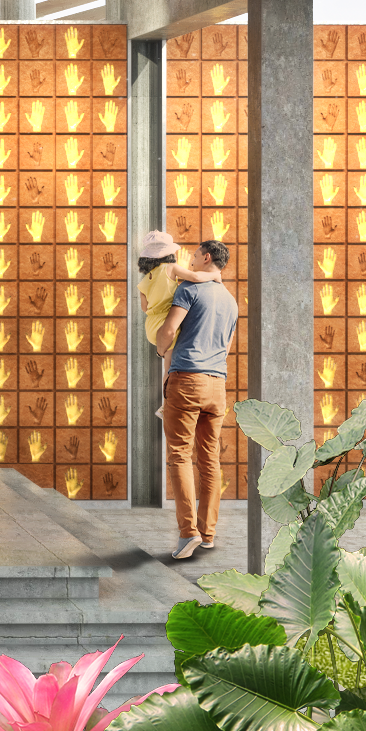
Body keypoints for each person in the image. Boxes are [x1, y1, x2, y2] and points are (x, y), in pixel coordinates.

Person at [154, 240, 238, 560]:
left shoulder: (189, 289)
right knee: (210, 460)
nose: (189, 260)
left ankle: (188, 531)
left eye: (193, 255)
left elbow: (169, 330)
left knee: (179, 455)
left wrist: (161, 349)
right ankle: (207, 533)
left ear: (206, 257)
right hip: (217, 385)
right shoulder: (230, 301)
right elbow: (226, 348)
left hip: (187, 379)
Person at [136, 231, 223, 419]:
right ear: (168, 253)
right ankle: (166, 405)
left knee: (167, 365)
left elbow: (144, 307)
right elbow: (195, 277)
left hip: (151, 325)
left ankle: (166, 404)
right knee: (170, 368)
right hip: (166, 323)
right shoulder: (171, 268)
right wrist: (215, 275)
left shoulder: (145, 280)